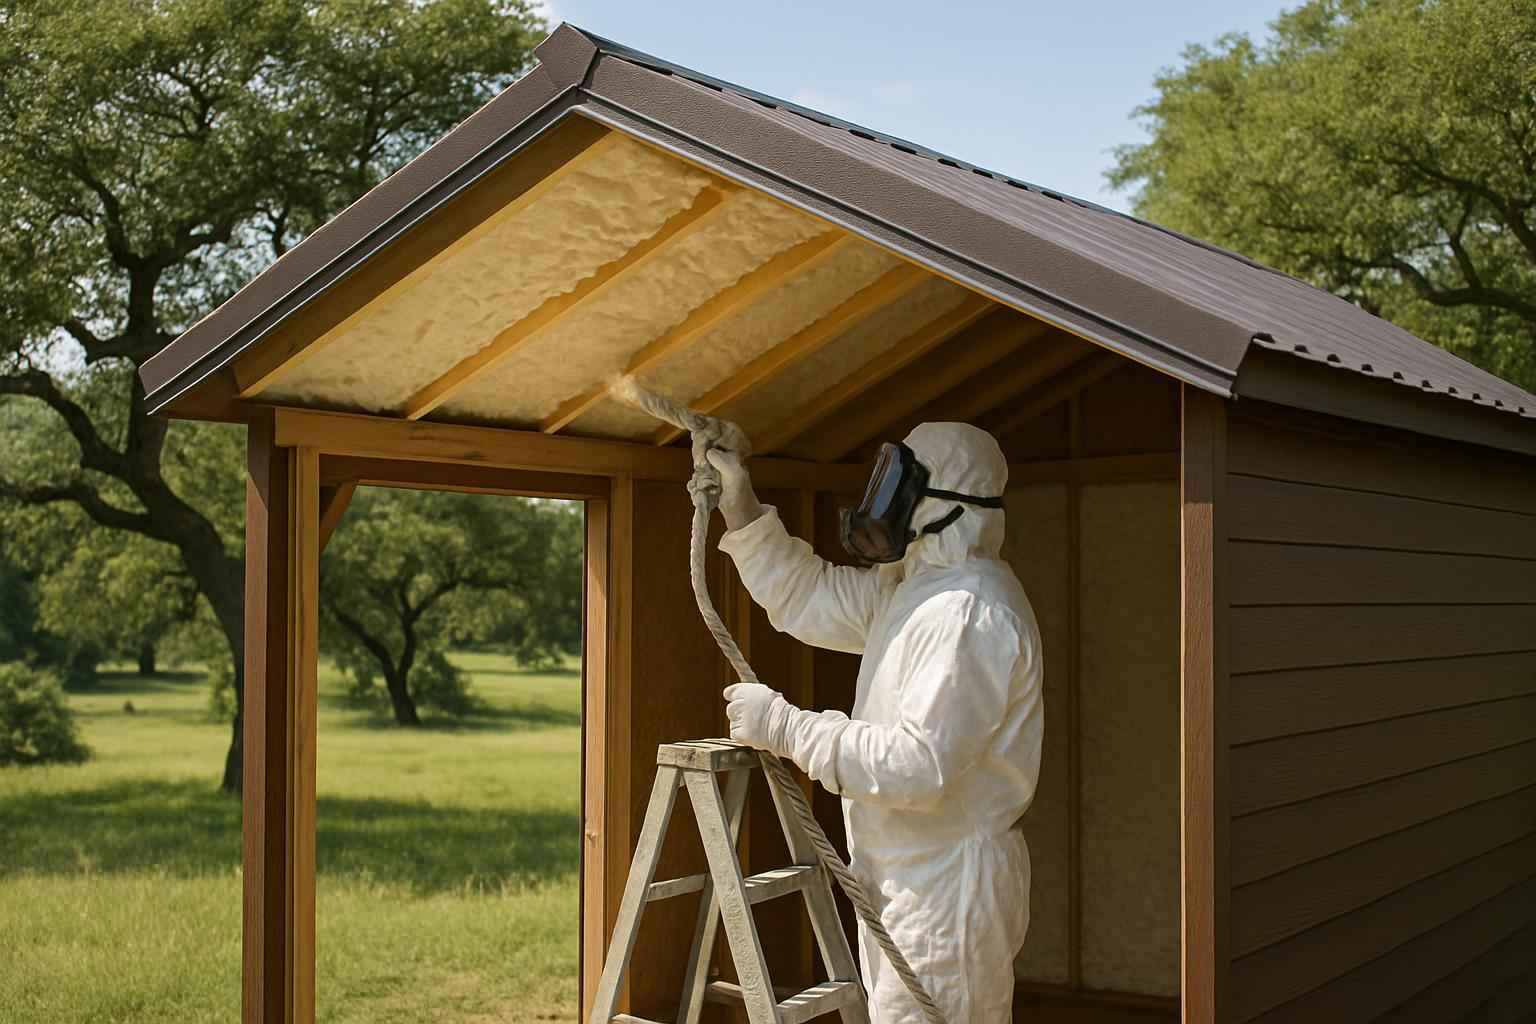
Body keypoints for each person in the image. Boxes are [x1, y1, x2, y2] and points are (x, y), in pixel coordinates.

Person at [707, 421, 1044, 1024]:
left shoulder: (968, 614)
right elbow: (807, 595)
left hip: (946, 896)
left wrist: (788, 728)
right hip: (908, 879)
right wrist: (740, 500)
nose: (885, 503)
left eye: (901, 487)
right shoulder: (916, 591)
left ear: (944, 505)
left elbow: (917, 766)